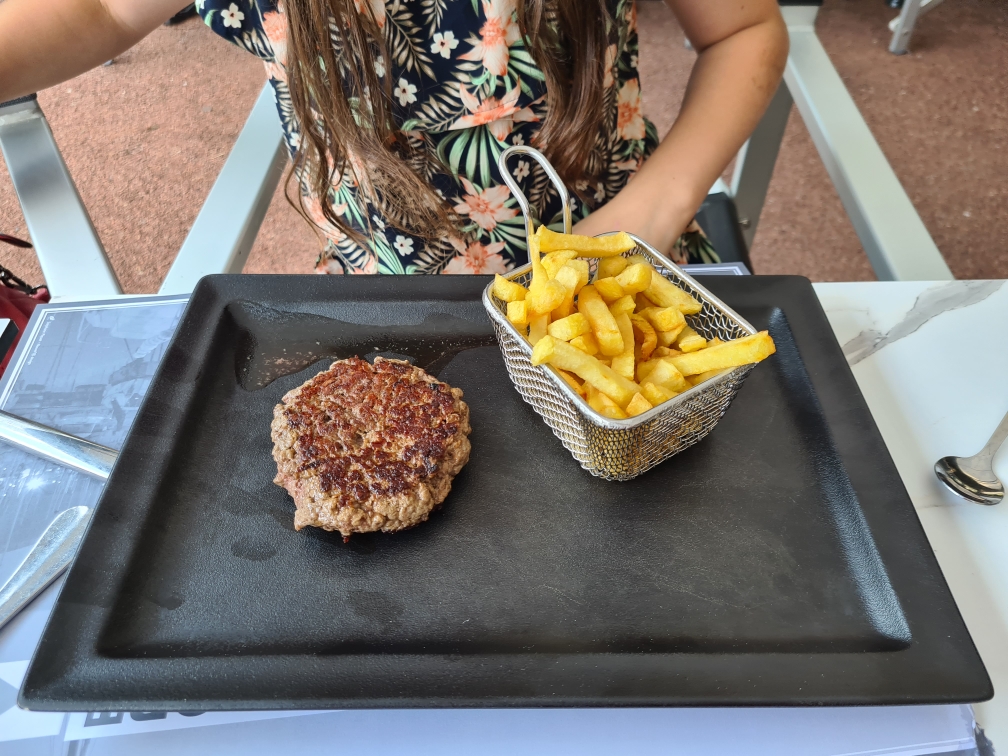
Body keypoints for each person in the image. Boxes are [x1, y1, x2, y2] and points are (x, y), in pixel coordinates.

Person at [0, 0, 788, 274]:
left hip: (630, 258)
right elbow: (97, 13)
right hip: (381, 285)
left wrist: (653, 211)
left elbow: (744, 31)